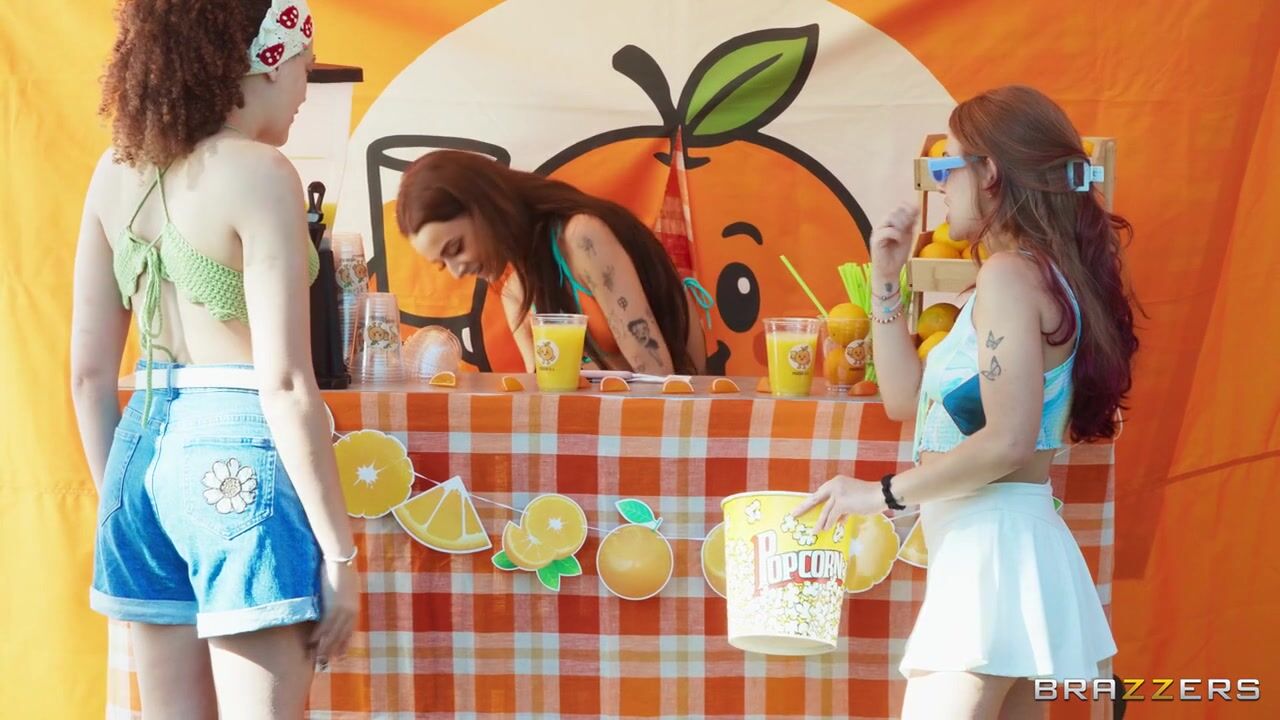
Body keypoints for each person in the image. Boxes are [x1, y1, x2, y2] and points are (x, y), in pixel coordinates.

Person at [793, 86, 1138, 719]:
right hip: (998, 551)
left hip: (991, 554)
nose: (942, 186)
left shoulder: (1011, 275)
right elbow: (905, 401)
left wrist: (881, 493)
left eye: (948, 167)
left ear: (991, 172)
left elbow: (1007, 440)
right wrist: (887, 281)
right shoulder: (1024, 275)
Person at [70, 1, 358, 717]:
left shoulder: (114, 171)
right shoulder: (262, 172)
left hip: (138, 457)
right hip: (239, 449)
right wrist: (341, 555)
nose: (305, 92)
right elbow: (286, 384)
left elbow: (89, 377)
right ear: (268, 60)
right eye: (306, 68)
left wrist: (121, 505)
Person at [394, 150, 710, 376]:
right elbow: (542, 391)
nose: (457, 270)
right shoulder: (514, 289)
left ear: (485, 207)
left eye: (456, 248)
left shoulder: (581, 238)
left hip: (671, 416)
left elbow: (656, 374)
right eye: (443, 264)